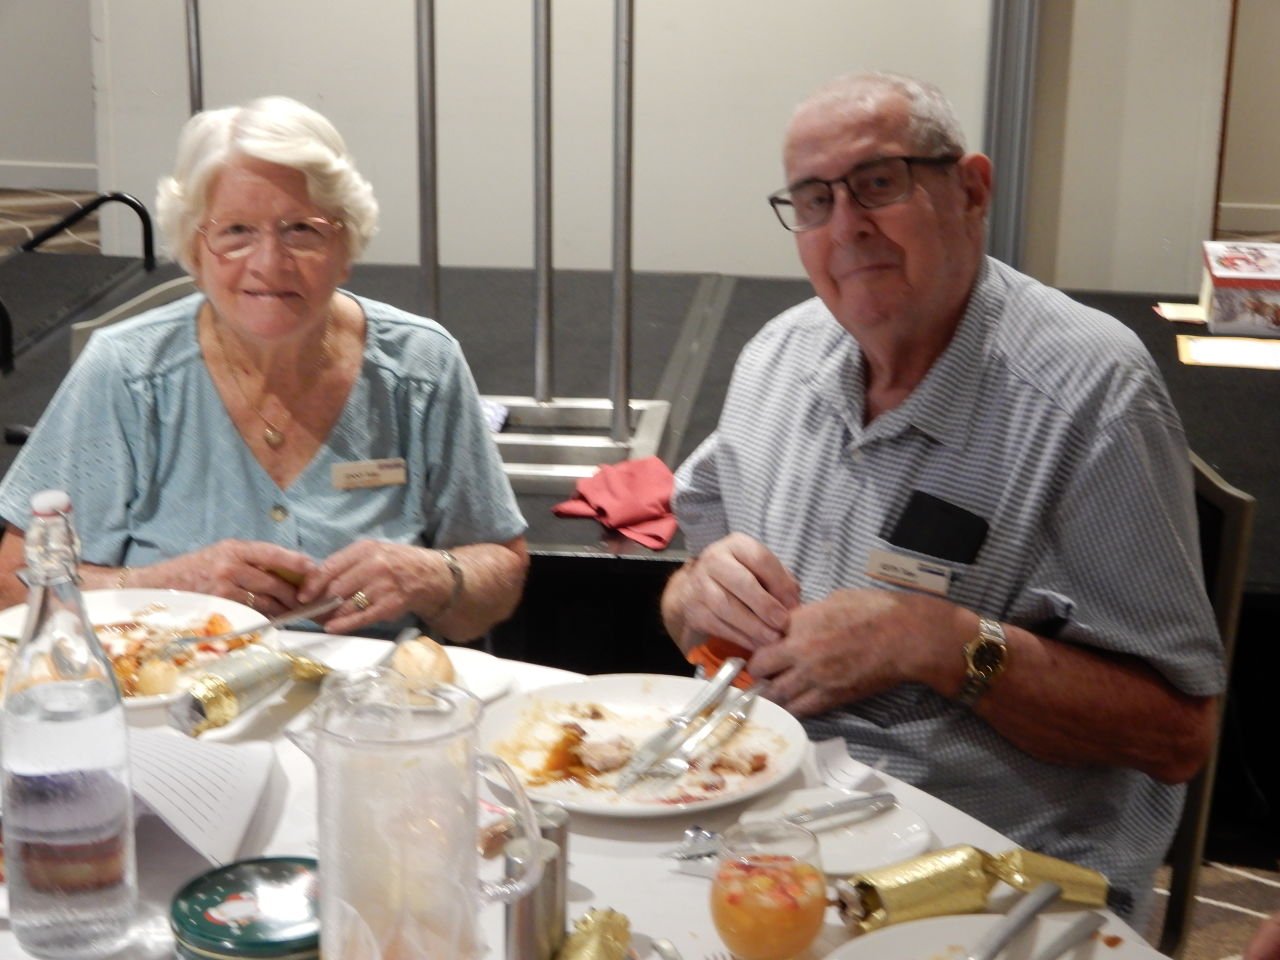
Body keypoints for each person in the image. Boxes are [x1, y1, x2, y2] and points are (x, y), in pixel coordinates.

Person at [659, 71, 1224, 921]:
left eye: (878, 184)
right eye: (814, 200)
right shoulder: (777, 359)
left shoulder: (1089, 392)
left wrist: (940, 642)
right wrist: (694, 596)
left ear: (971, 189)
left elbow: (1178, 734)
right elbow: (690, 583)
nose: (847, 226)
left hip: (989, 878)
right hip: (766, 837)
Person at [0, 96, 527, 641]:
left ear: (346, 245)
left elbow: (501, 576)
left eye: (302, 229)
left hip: (376, 710)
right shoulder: (129, 373)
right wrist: (162, 586)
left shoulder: (421, 367)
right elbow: (13, 584)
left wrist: (436, 577)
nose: (269, 264)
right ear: (195, 251)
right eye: (235, 232)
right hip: (174, 708)